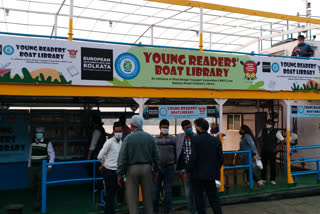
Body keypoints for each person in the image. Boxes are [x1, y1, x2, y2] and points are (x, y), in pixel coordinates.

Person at [117, 115, 160, 214]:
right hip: (147, 169)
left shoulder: (128, 138)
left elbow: (122, 158)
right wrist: (156, 170)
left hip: (132, 170)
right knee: (148, 199)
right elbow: (157, 156)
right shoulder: (150, 138)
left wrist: (120, 174)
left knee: (133, 200)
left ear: (132, 125)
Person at [187, 118, 224, 214]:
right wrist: (214, 169)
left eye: (196, 127)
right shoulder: (216, 140)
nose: (195, 129)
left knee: (199, 201)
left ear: (199, 127)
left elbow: (193, 158)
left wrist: (188, 170)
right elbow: (221, 159)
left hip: (197, 176)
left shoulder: (195, 139)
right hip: (212, 176)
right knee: (214, 200)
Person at [98, 122, 123, 214]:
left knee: (111, 195)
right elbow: (100, 156)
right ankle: (109, 212)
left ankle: (110, 211)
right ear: (113, 132)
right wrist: (105, 164)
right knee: (110, 195)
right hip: (109, 171)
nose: (119, 133)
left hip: (117, 172)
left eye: (120, 131)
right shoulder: (109, 142)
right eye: (117, 131)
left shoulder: (121, 142)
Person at [28, 127, 55, 212]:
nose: (38, 134)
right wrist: (29, 165)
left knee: (40, 185)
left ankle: (37, 203)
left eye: (40, 132)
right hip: (33, 167)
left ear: (43, 134)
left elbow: (52, 154)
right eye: (37, 132)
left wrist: (49, 166)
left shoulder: (47, 142)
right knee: (32, 185)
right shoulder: (32, 141)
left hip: (42, 167)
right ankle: (38, 198)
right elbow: (30, 153)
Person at [176, 120, 200, 214]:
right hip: (186, 170)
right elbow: (179, 154)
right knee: (188, 194)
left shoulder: (197, 137)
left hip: (197, 170)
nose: (189, 129)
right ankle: (192, 212)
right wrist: (180, 169)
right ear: (183, 129)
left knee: (198, 193)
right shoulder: (179, 138)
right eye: (187, 128)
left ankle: (199, 211)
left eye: (190, 127)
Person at [153, 119, 176, 214]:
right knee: (155, 190)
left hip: (170, 167)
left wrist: (176, 166)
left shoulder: (173, 139)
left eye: (166, 127)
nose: (165, 129)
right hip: (157, 168)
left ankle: (168, 210)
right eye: (163, 127)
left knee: (168, 190)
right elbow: (152, 153)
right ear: (160, 128)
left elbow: (176, 152)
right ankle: (155, 210)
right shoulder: (154, 139)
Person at [258, 119, 284, 185]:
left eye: (269, 123)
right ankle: (263, 178)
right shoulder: (263, 130)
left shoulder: (276, 131)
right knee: (263, 164)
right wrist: (261, 145)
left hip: (272, 151)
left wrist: (278, 148)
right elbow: (258, 137)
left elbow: (282, 140)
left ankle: (273, 179)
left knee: (272, 165)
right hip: (264, 150)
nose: (267, 124)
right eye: (267, 123)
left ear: (272, 125)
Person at [87, 116, 106, 192]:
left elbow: (92, 145)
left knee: (94, 172)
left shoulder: (96, 131)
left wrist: (88, 156)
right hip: (102, 154)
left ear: (94, 123)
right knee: (99, 172)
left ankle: (96, 187)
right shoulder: (102, 130)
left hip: (96, 155)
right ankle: (100, 187)